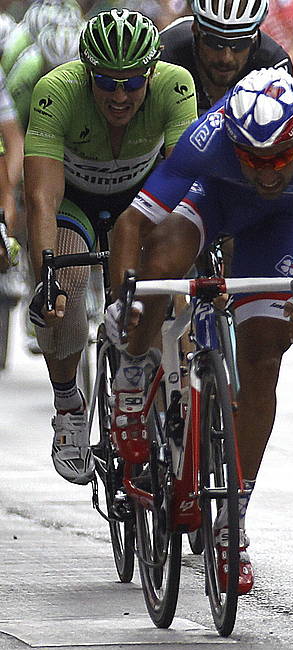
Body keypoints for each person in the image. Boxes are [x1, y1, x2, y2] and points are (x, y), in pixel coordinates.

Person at [106, 67, 293, 593]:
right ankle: (132, 364)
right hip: (211, 200)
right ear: (231, 139)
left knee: (264, 358)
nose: (266, 174)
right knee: (162, 261)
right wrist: (122, 296)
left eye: (280, 160)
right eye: (253, 159)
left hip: (279, 223)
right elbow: (133, 223)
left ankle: (230, 524)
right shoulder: (211, 133)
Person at [25, 9, 197, 486]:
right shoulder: (56, 90)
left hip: (142, 202)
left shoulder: (175, 84)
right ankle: (69, 407)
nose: (119, 96)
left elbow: (187, 186)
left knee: (166, 286)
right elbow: (41, 197)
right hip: (75, 203)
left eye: (131, 83)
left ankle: (168, 402)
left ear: (151, 74)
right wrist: (48, 277)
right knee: (66, 286)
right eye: (105, 82)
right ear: (86, 73)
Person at [160, 0, 293, 115]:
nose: (226, 58)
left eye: (240, 44)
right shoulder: (165, 55)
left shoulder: (274, 69)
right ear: (195, 29)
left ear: (254, 38)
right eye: (214, 42)